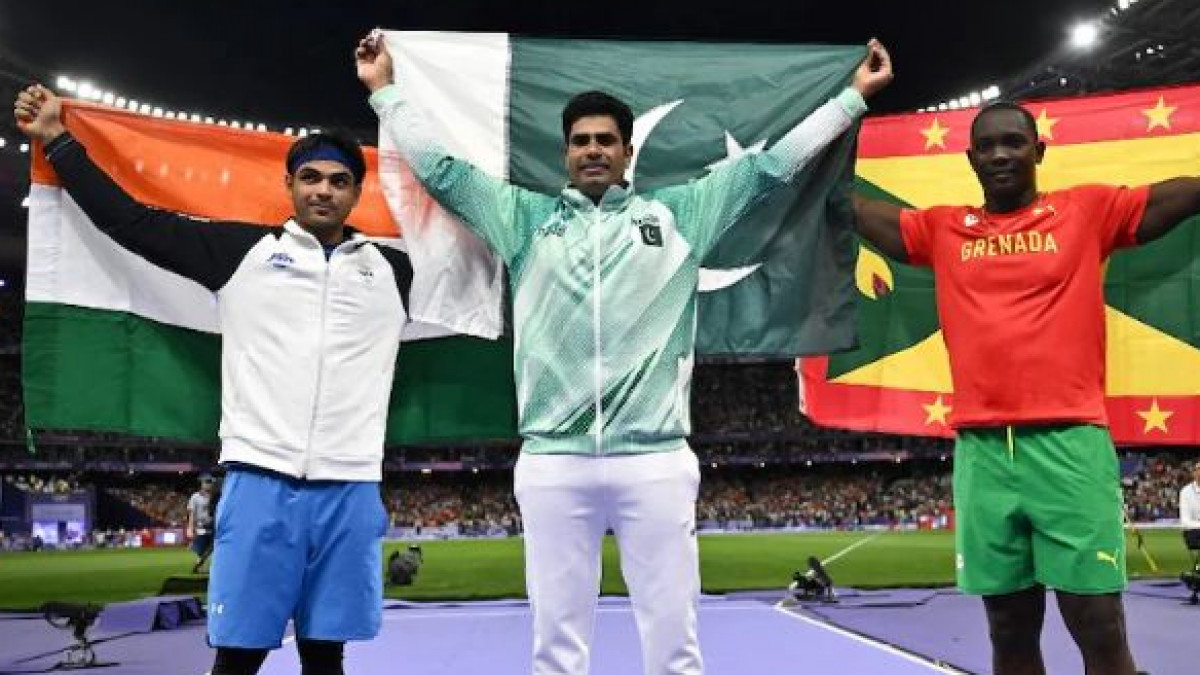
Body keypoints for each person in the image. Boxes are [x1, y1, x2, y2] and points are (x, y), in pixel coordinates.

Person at [357, 32, 893, 675]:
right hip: (554, 462)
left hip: (656, 462)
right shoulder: (523, 219)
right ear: (564, 153)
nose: (592, 150)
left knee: (674, 646)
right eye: (580, 141)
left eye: (605, 140)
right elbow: (441, 171)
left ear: (627, 152)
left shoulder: (681, 215)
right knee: (556, 650)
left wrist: (852, 99)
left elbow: (772, 168)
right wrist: (385, 90)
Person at [15, 84, 413, 675]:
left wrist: (390, 96)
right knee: (239, 654)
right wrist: (59, 142)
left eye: (337, 180)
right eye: (311, 177)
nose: (323, 189)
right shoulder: (241, 252)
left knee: (327, 655)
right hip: (260, 481)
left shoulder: (395, 270)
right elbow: (133, 224)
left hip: (351, 485)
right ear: (290, 186)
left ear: (357, 192)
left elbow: (475, 241)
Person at [852, 99, 1200, 675]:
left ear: (1039, 151)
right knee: (1008, 629)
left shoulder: (1087, 211)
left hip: (1069, 446)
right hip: (984, 456)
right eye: (986, 146)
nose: (999, 155)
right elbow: (855, 210)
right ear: (970, 158)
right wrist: (829, 121)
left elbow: (1180, 194)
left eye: (1013, 142)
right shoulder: (941, 229)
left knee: (1098, 624)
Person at [187, 476, 216, 573]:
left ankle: (200, 564)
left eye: (210, 482)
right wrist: (190, 528)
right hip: (200, 526)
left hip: (213, 526)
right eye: (206, 482)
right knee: (201, 548)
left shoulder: (215, 497)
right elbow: (191, 514)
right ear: (202, 483)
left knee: (212, 547)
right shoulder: (195, 497)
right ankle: (199, 564)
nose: (208, 484)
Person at [1181, 461, 1200, 550]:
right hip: (1193, 532)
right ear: (1194, 473)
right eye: (1198, 469)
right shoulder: (1186, 492)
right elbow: (1185, 521)